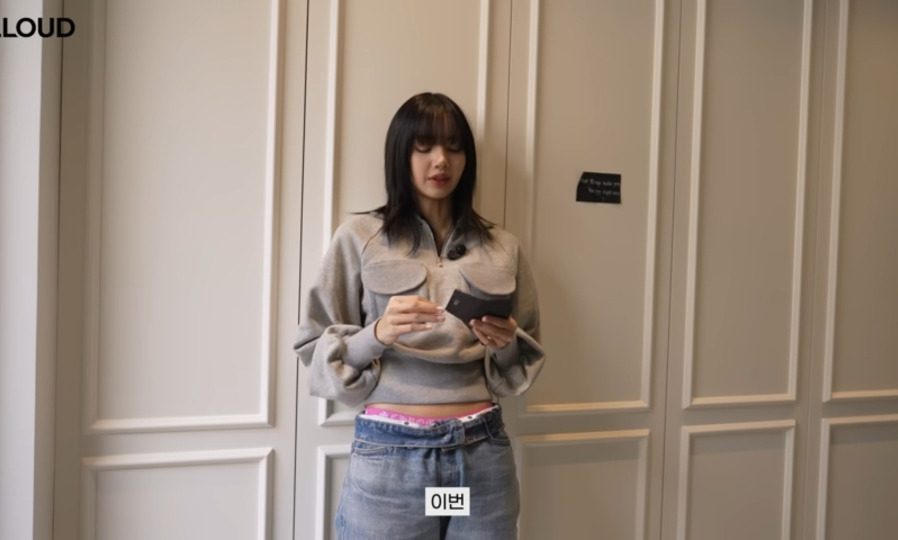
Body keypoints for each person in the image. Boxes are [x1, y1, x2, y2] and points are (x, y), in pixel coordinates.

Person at [295, 92, 545, 539]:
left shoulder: (502, 246)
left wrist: (505, 343)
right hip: (392, 460)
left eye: (454, 147)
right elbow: (313, 347)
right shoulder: (359, 238)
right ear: (400, 154)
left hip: (480, 458)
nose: (440, 160)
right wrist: (376, 334)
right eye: (424, 146)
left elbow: (521, 358)